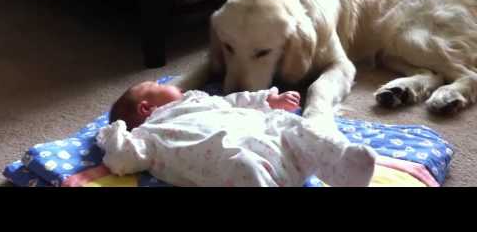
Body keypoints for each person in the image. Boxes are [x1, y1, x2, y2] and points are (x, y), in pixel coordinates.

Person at [97, 81, 376, 187]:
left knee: (300, 127)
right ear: (147, 107)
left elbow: (234, 100)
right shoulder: (147, 133)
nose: (173, 86)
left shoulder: (198, 98)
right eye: (158, 84)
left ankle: (344, 167)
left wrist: (269, 101)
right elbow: (122, 159)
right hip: (248, 164)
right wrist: (114, 133)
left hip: (277, 144)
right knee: (240, 164)